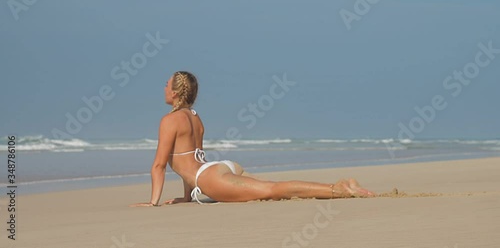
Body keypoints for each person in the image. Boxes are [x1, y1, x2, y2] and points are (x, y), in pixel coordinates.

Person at [130, 71, 375, 207]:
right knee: (273, 187)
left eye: (166, 85)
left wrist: (153, 203)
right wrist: (186, 197)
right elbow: (194, 158)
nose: (163, 88)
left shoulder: (169, 120)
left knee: (273, 190)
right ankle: (340, 186)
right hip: (216, 168)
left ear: (174, 93)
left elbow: (159, 165)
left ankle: (338, 189)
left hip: (208, 178)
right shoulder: (195, 117)